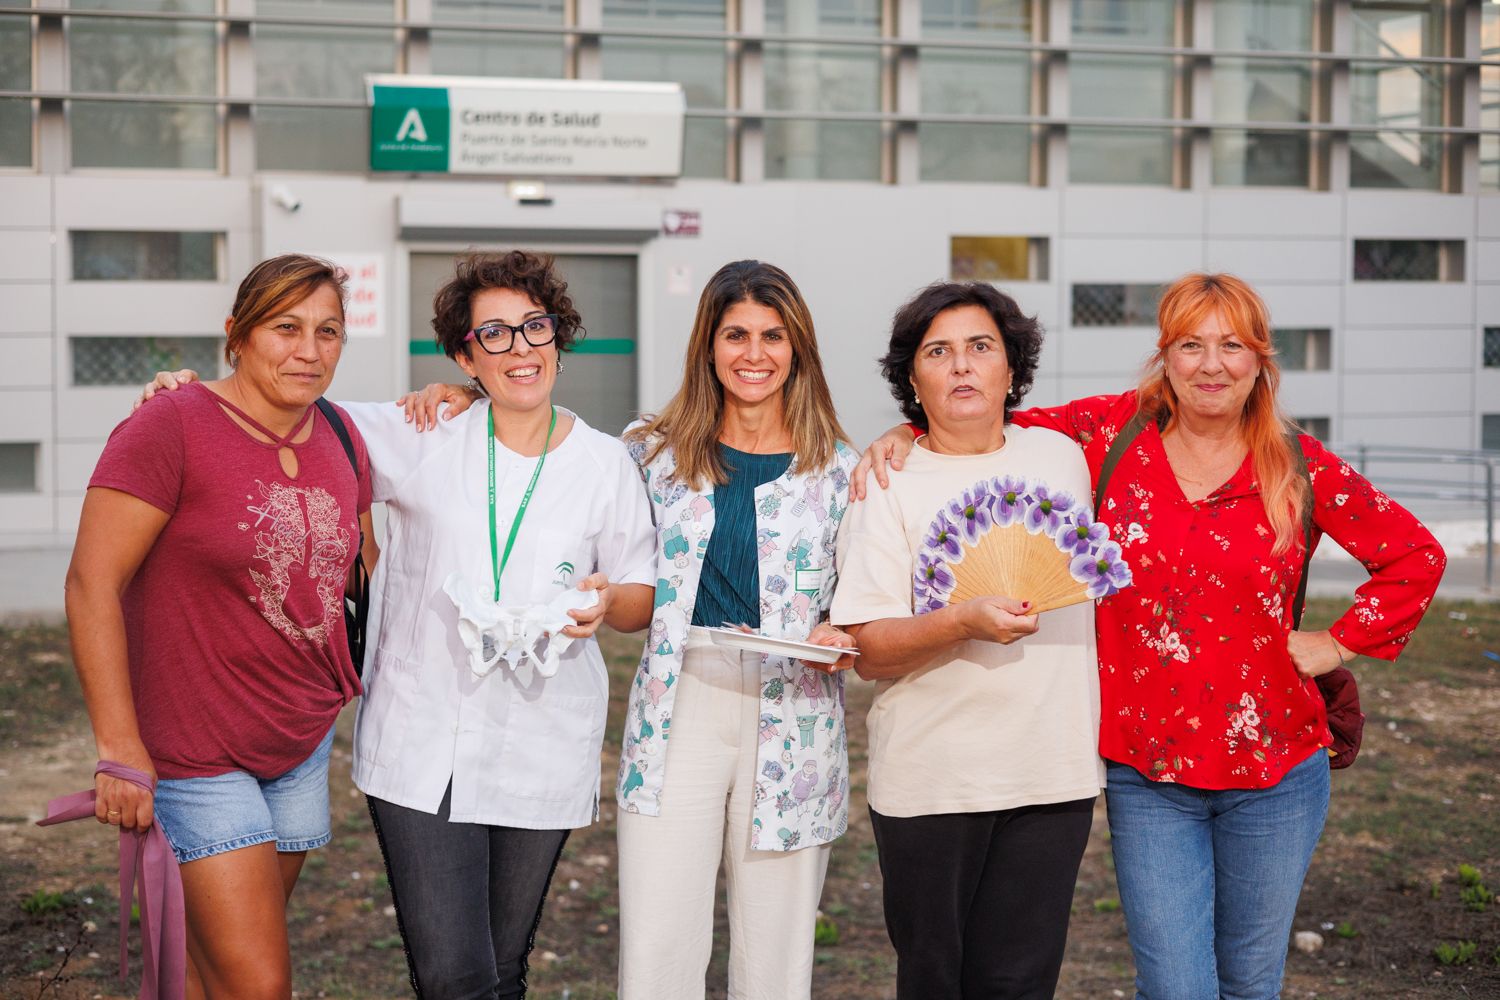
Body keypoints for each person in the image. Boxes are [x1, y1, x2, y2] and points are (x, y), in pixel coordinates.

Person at [854, 272, 1446, 1000]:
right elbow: (980, 419)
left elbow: (1415, 555)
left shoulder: (1296, 464)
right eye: (1190, 344)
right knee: (1174, 987)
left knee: (1250, 984)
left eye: (1231, 345)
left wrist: (1341, 642)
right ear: (1165, 355)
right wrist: (904, 432)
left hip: (1276, 770)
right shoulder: (1109, 435)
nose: (1210, 363)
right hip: (1149, 770)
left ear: (1260, 359)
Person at [136, 249, 658, 1000]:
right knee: (454, 977)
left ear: (558, 337)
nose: (521, 349)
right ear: (463, 354)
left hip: (541, 742)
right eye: (495, 335)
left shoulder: (606, 464)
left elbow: (640, 594)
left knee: (503, 969)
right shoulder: (417, 434)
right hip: (421, 744)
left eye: (534, 328)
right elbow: (278, 416)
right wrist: (183, 396)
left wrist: (608, 604)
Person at [403, 259, 859, 1000]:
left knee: (777, 954)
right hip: (679, 702)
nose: (754, 353)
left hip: (797, 713)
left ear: (798, 348)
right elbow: (541, 447)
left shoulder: (842, 468)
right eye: (735, 334)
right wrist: (463, 393)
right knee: (657, 942)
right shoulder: (649, 451)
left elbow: (860, 596)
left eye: (774, 336)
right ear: (707, 347)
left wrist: (839, 630)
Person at [68, 253, 374, 998]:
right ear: (235, 333)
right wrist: (119, 747)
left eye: (328, 331)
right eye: (286, 327)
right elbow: (90, 585)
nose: (309, 350)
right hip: (196, 752)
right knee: (259, 984)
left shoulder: (340, 433)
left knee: (209, 967)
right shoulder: (170, 425)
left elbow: (353, 565)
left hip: (299, 744)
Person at [830, 281, 1104, 1000]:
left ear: (1011, 368)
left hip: (1054, 775)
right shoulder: (885, 483)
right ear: (911, 379)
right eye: (938, 352)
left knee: (1021, 983)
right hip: (933, 781)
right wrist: (960, 621)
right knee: (934, 983)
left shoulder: (1064, 458)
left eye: (980, 347)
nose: (961, 367)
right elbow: (870, 652)